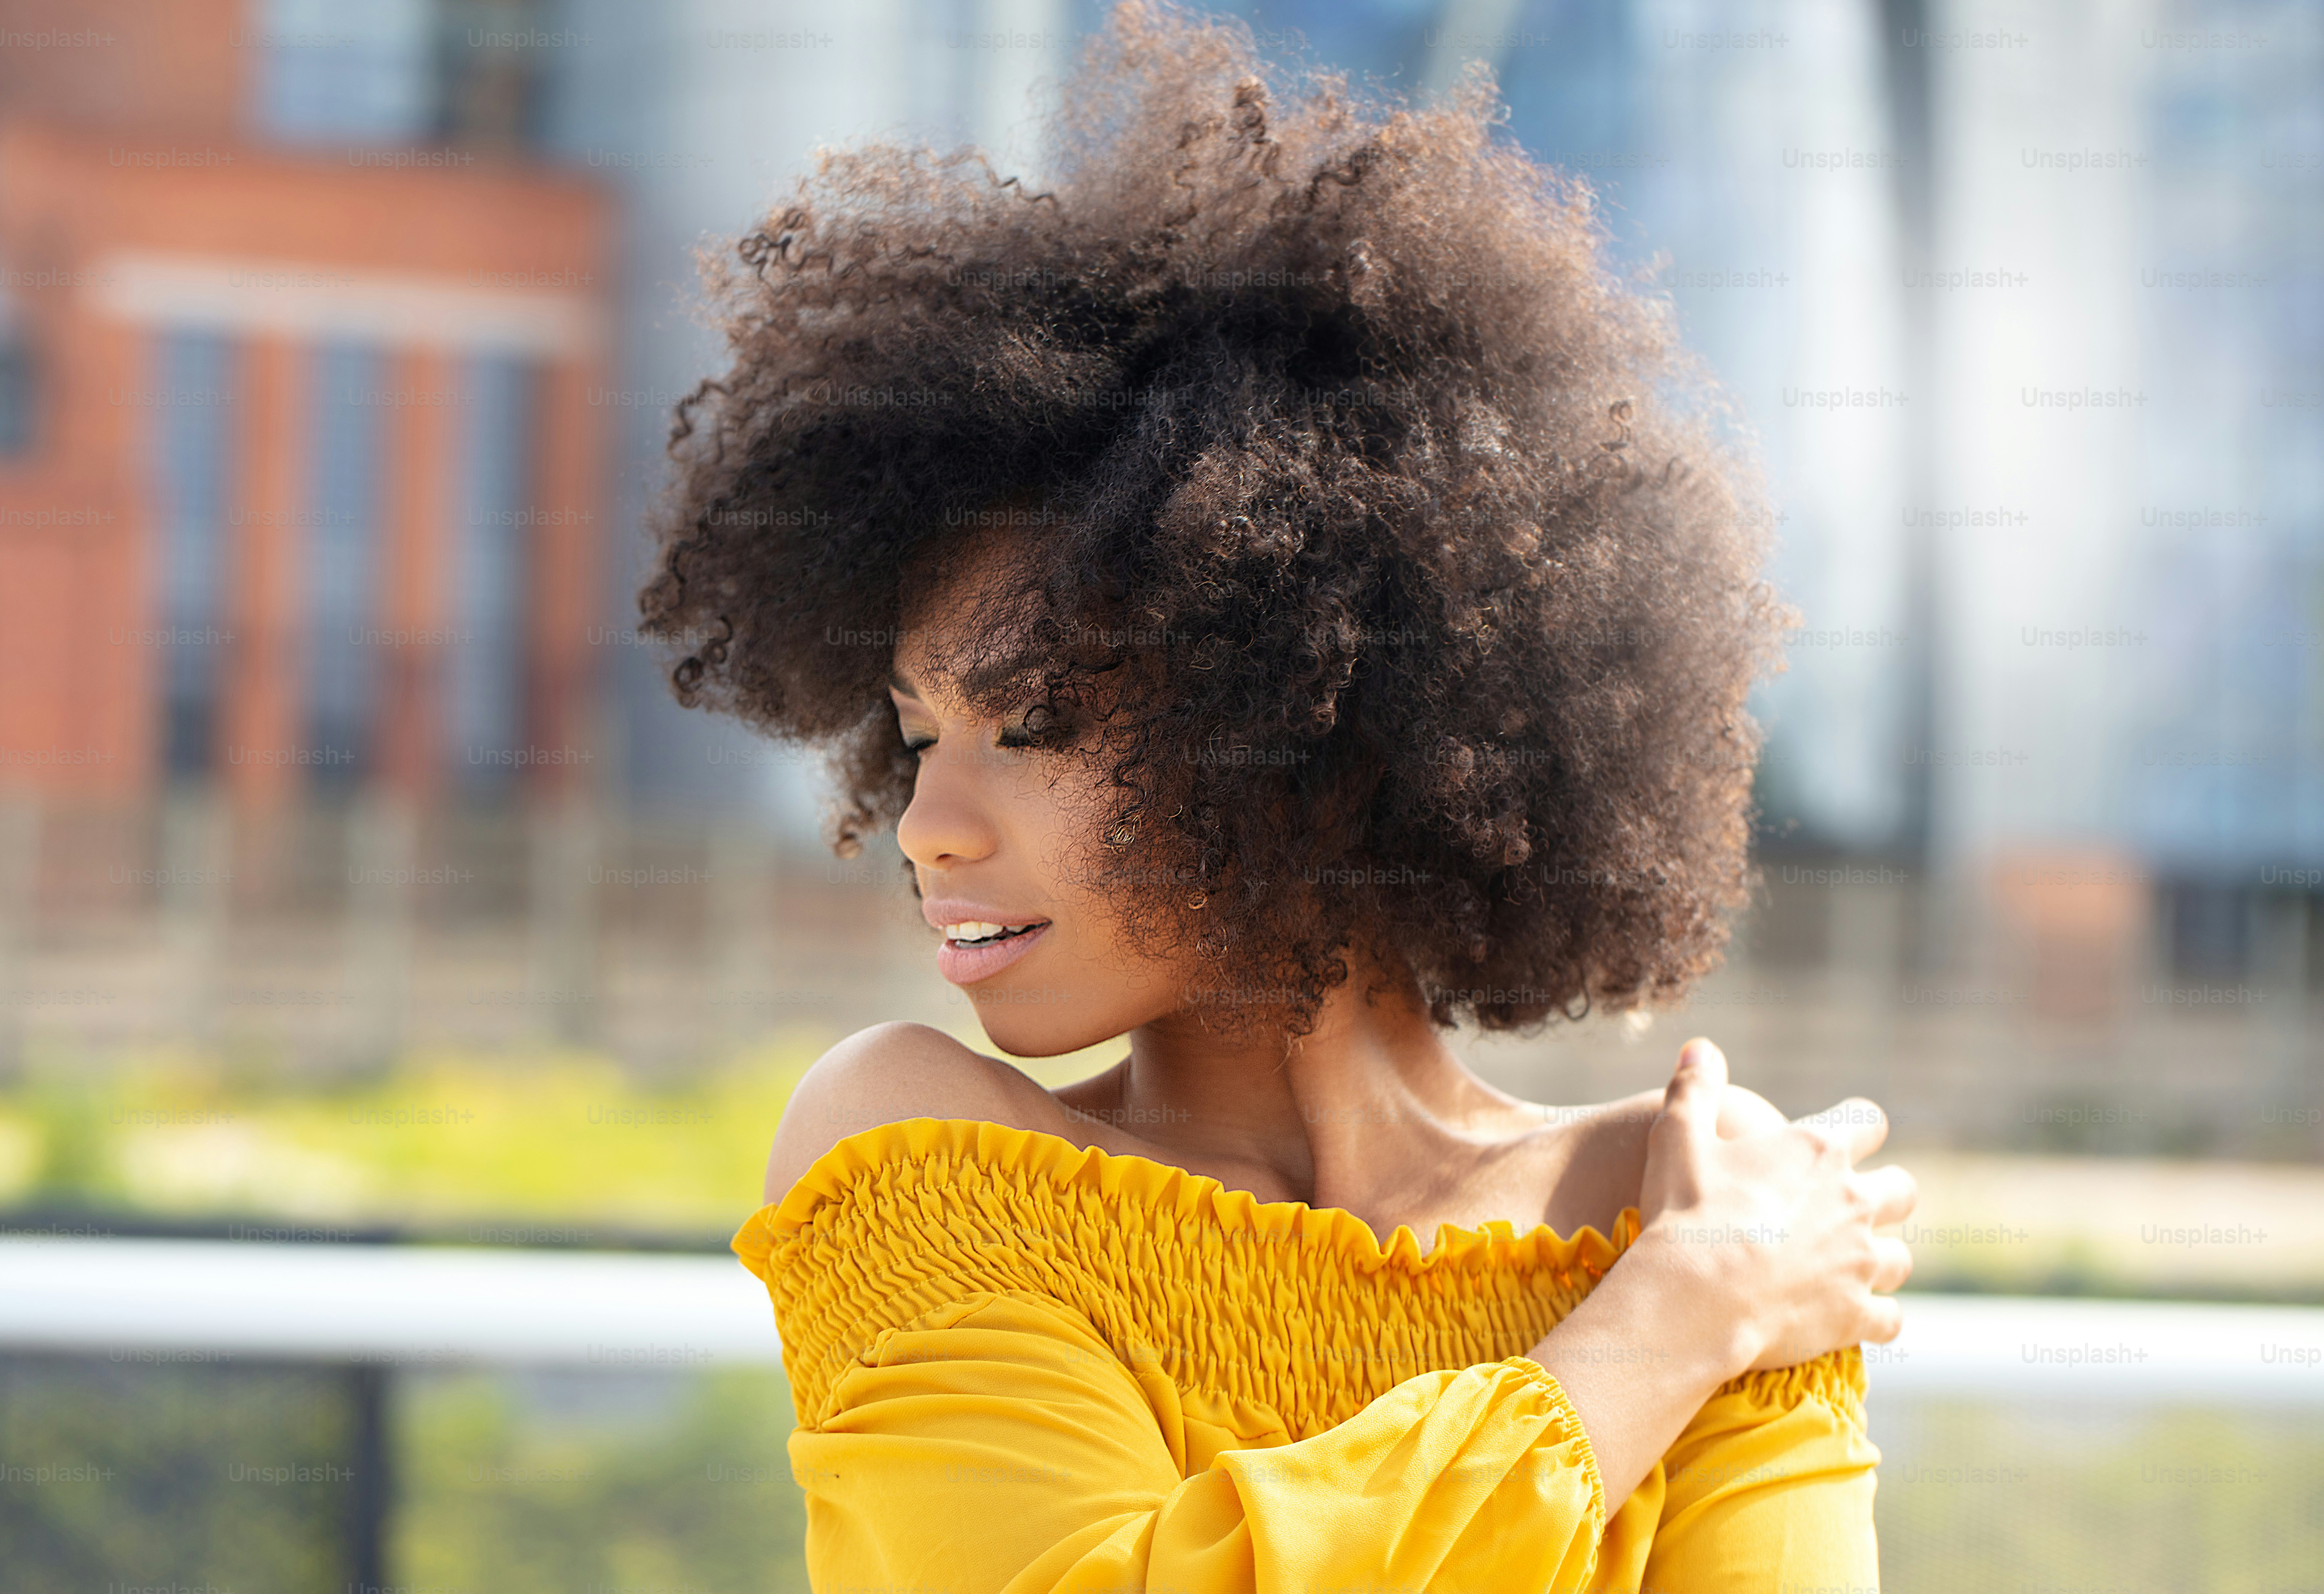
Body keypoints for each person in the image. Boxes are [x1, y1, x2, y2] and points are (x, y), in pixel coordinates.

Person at [639, 4, 1916, 1589]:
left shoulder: (1705, 1196)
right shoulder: (911, 1148)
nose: (928, 825)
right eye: (916, 737)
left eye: (1029, 723)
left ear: (1314, 715)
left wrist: (1698, 1280)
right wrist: (1667, 1327)